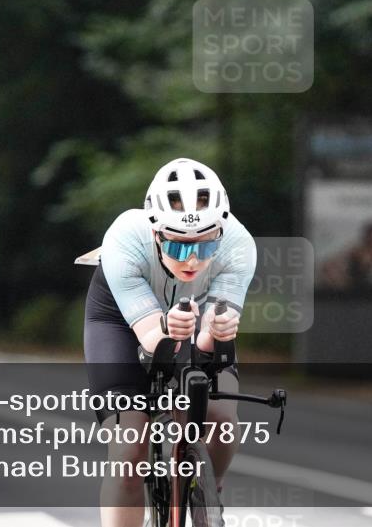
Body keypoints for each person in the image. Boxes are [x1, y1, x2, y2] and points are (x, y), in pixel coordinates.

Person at [84, 158, 256, 527]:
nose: (192, 260)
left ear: (220, 233)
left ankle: (208, 489)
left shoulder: (239, 244)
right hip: (123, 322)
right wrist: (167, 329)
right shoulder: (124, 238)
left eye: (205, 247)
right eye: (178, 247)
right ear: (157, 233)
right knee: (129, 452)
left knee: (223, 421)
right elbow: (152, 342)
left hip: (194, 316)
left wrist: (216, 331)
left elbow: (208, 345)